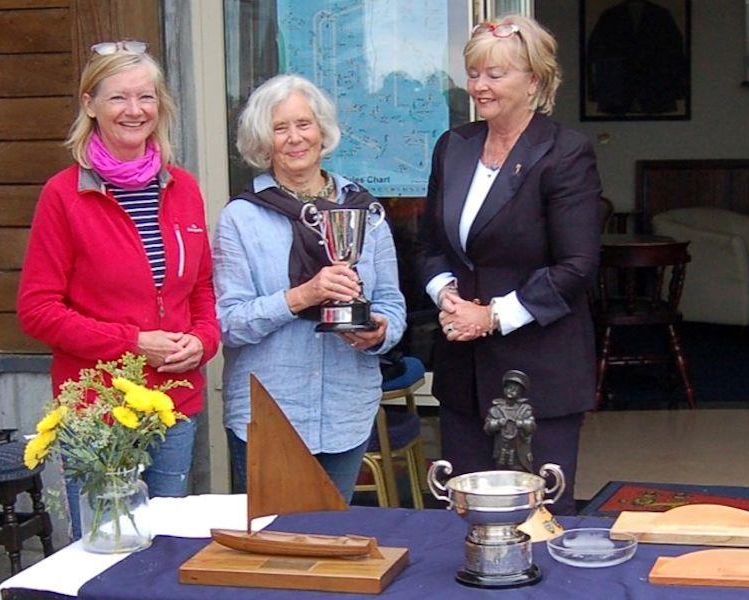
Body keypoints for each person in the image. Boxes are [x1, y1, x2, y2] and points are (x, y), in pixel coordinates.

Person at [17, 41, 219, 537]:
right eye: (118, 98)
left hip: (175, 404)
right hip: (98, 413)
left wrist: (203, 341)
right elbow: (37, 310)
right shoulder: (64, 194)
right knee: (103, 549)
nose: (135, 111)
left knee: (165, 547)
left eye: (146, 98)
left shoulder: (183, 187)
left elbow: (202, 290)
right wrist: (133, 343)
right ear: (90, 105)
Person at [415, 15, 601, 514]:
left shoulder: (565, 153)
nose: (479, 85)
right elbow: (430, 243)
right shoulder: (453, 146)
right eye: (474, 73)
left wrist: (492, 316)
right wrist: (444, 295)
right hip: (462, 377)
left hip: (539, 374)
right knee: (467, 523)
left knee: (535, 526)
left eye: (495, 74)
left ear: (534, 81)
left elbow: (578, 267)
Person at [213, 74, 406, 502]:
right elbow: (227, 324)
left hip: (346, 408)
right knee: (276, 546)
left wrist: (378, 332)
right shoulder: (241, 218)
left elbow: (392, 302)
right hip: (269, 413)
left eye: (304, 124)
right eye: (280, 129)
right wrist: (304, 295)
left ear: (323, 131)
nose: (295, 138)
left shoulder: (363, 208)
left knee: (331, 539)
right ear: (264, 143)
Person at [483, 370, 535, 472]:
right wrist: (498, 423)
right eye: (508, 387)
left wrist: (520, 424)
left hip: (519, 454)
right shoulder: (495, 410)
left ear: (521, 392)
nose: (510, 390)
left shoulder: (525, 410)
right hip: (501, 452)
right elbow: (487, 428)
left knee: (520, 475)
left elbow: (531, 427)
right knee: (501, 475)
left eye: (515, 388)